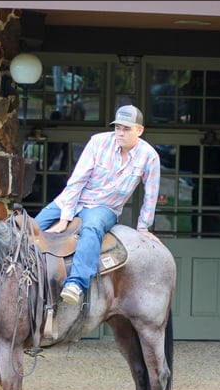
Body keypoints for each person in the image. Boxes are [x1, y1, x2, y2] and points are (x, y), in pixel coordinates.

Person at [34, 105, 161, 305]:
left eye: (126, 129)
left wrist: (143, 227)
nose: (120, 133)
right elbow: (77, 181)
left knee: (92, 228)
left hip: (105, 207)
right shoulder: (98, 142)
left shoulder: (149, 156)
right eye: (118, 127)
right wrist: (65, 217)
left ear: (139, 130)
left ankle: (76, 284)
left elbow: (151, 195)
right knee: (33, 227)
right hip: (72, 200)